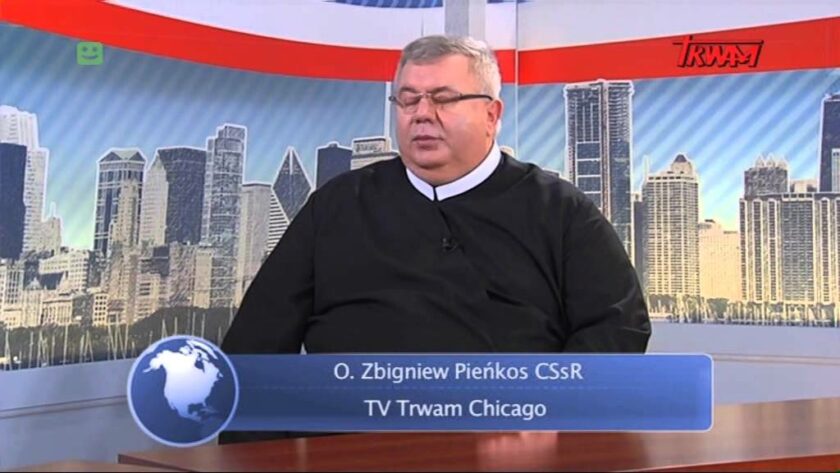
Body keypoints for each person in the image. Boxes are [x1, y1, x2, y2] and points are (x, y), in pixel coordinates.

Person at [219, 35, 650, 443]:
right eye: (408, 99)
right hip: (347, 447)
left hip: (506, 448)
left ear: (492, 115)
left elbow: (618, 326)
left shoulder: (559, 209)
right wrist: (256, 456)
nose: (421, 114)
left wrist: (552, 410)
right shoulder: (337, 204)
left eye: (443, 98)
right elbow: (255, 343)